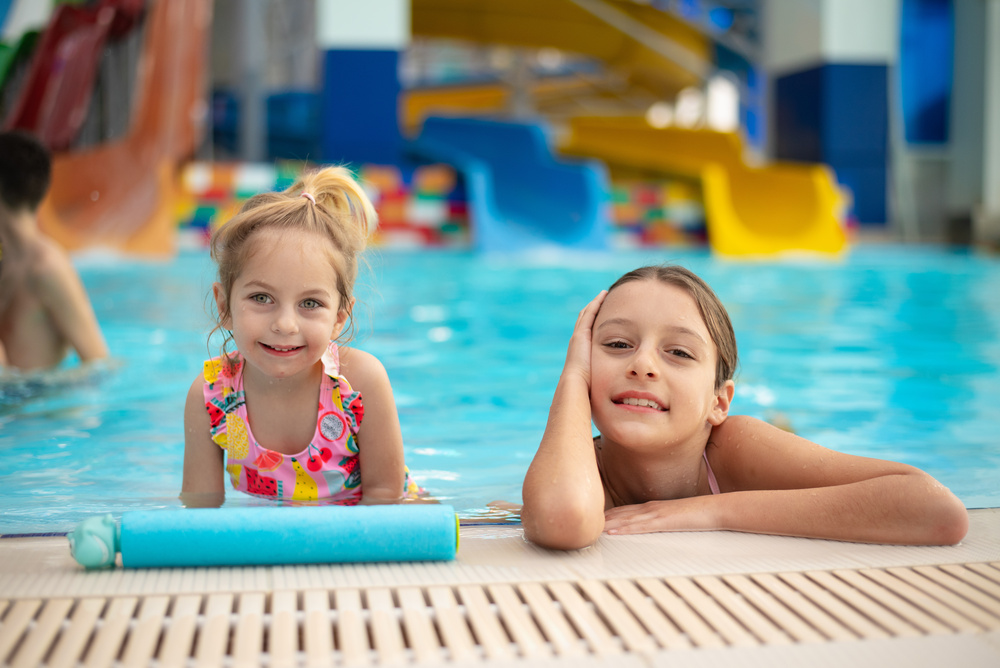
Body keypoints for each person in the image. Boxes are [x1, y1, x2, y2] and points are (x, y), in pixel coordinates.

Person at [521, 265, 969, 550]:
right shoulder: (576, 466)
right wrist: (573, 378)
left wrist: (713, 511)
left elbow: (937, 509)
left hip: (752, 459)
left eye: (679, 352)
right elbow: (563, 520)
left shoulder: (732, 447)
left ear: (719, 402)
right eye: (618, 345)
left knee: (784, 434)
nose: (642, 365)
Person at [182, 166, 420, 506]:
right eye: (261, 298)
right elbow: (199, 508)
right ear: (224, 306)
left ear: (339, 317)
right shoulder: (212, 397)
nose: (285, 325)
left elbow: (385, 497)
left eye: (310, 303)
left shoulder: (359, 384)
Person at [0, 131, 108, 371]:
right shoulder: (4, 259)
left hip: (38, 394)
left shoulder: (47, 269)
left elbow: (99, 365)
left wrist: (24, 385)